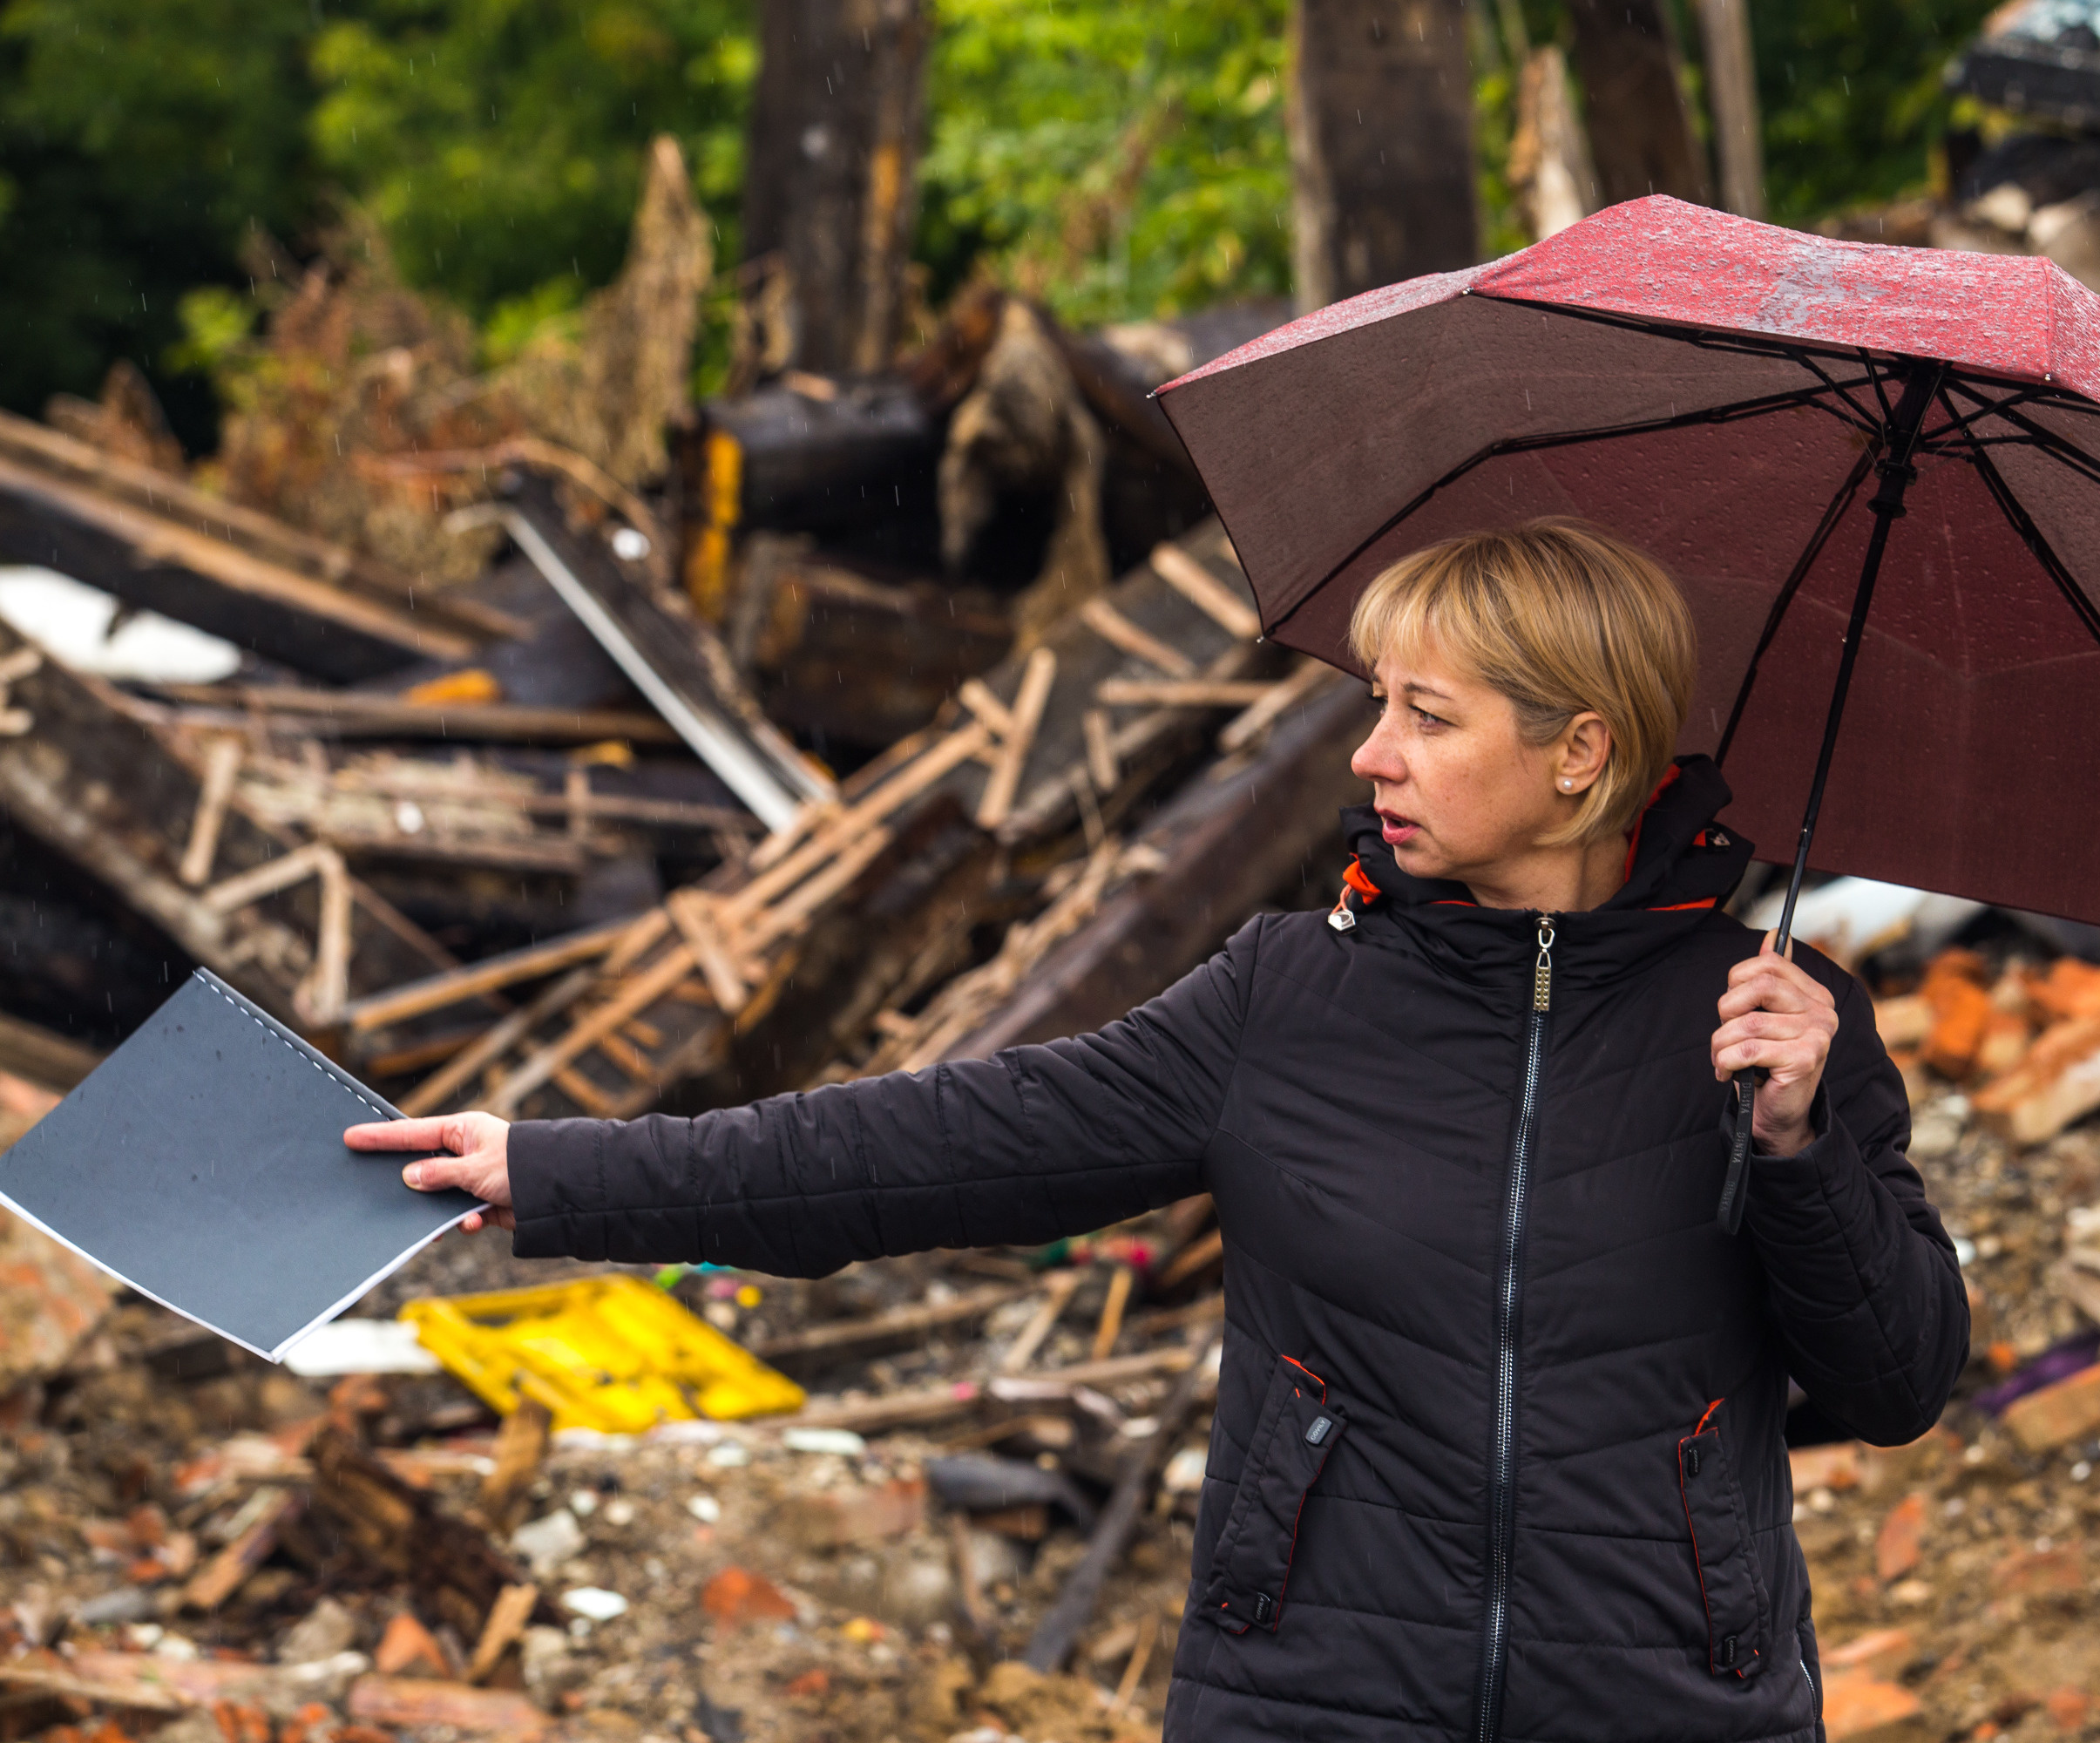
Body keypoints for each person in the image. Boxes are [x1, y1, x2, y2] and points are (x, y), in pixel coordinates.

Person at [349, 517, 1970, 1743]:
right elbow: (927, 1150)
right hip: (1315, 1705)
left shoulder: (1778, 1024)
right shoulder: (1288, 1000)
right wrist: (554, 1169)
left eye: (1426, 715)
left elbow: (1897, 1384)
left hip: (1669, 1713)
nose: (1368, 753)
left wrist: (1800, 1145)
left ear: (1582, 756)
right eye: (1375, 703)